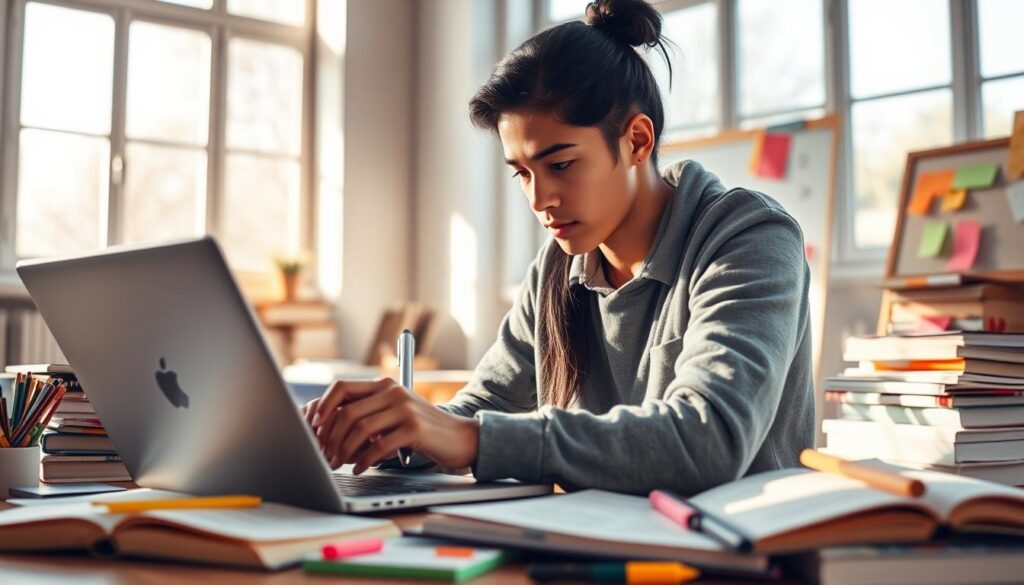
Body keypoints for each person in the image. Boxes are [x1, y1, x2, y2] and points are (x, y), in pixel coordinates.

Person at [304, 0, 814, 495]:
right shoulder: (557, 265)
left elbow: (709, 439)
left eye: (561, 165)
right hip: (589, 546)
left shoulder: (750, 239)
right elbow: (485, 405)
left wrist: (469, 438)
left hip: (732, 556)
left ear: (637, 141)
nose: (539, 199)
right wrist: (391, 429)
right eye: (522, 173)